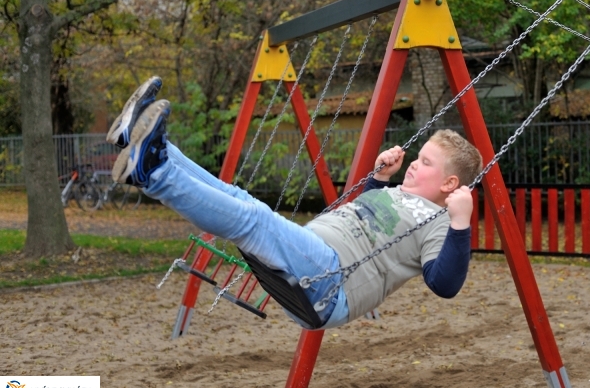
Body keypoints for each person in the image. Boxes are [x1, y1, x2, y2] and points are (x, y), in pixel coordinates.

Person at [107, 77, 483, 329]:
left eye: (426, 163)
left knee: (252, 218)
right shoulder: (396, 195)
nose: (415, 162)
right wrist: (379, 178)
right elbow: (366, 220)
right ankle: (147, 144)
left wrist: (461, 221)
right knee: (240, 198)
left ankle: (154, 172)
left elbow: (445, 284)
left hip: (330, 282)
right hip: (316, 256)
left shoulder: (439, 221)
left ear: (450, 183)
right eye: (419, 157)